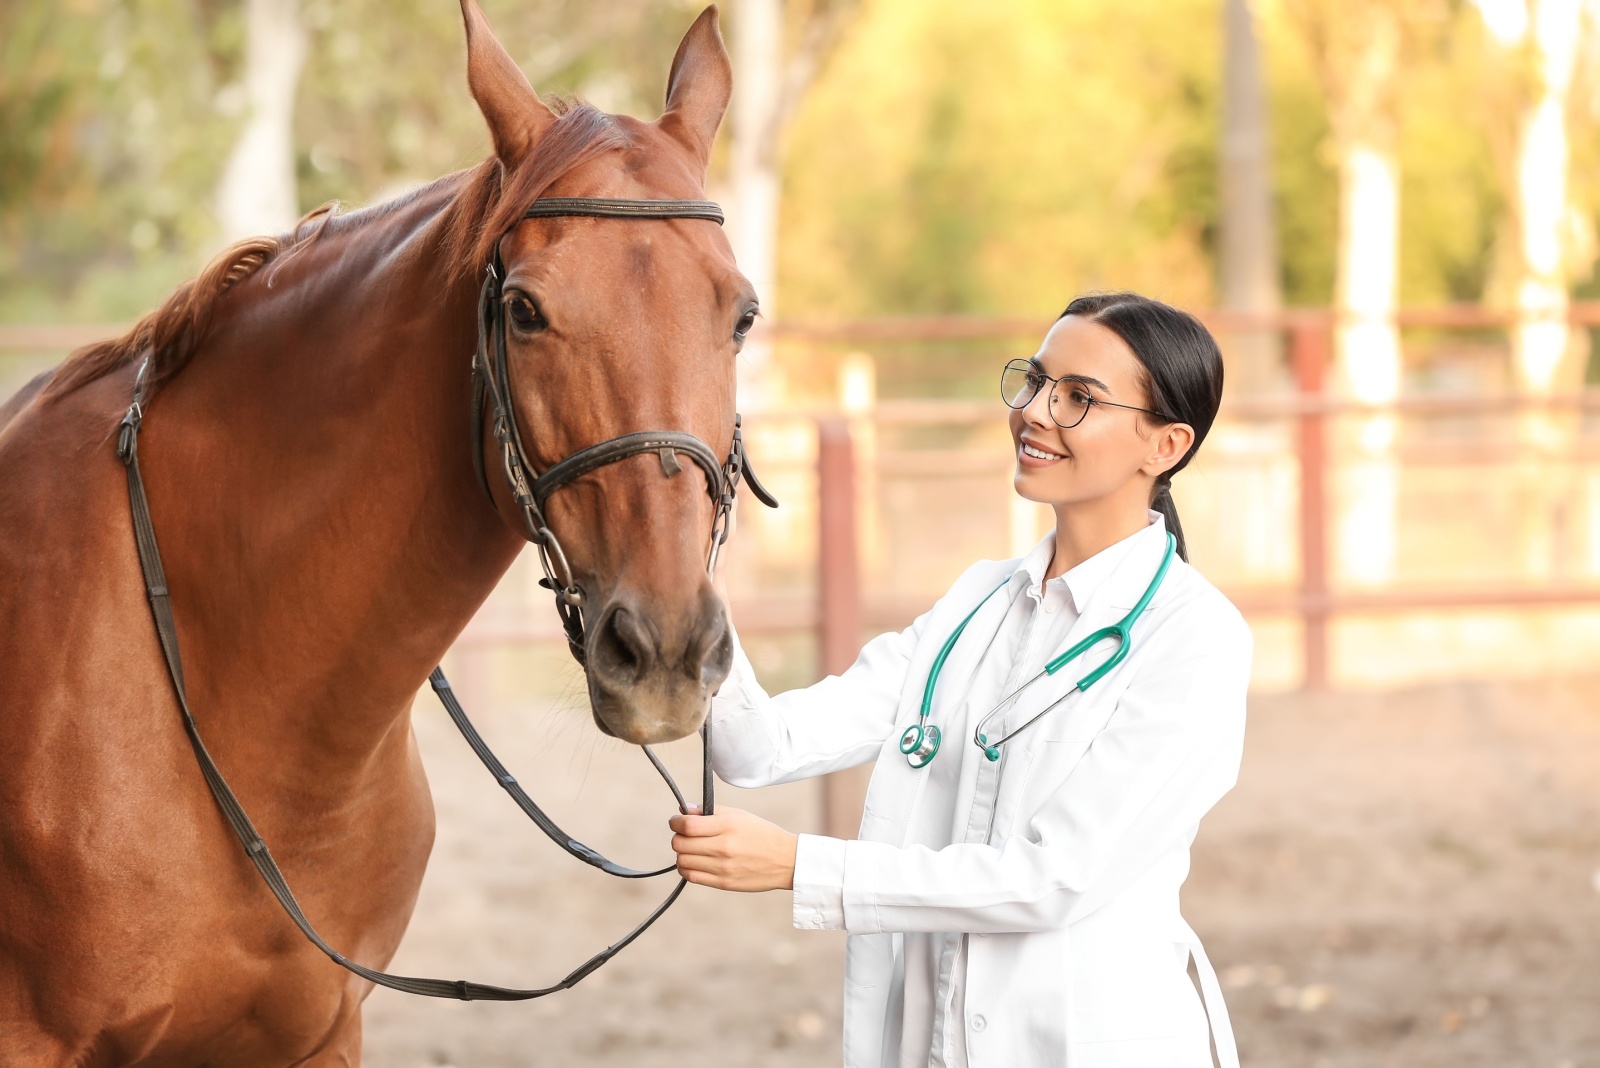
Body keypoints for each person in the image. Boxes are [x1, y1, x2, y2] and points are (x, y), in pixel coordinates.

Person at [670, 292, 1251, 1068]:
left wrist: (800, 866)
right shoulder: (977, 602)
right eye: (1037, 382)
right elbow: (759, 746)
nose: (1036, 412)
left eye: (1077, 398)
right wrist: (680, 563)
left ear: (1166, 445)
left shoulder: (1194, 637)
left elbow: (1053, 877)